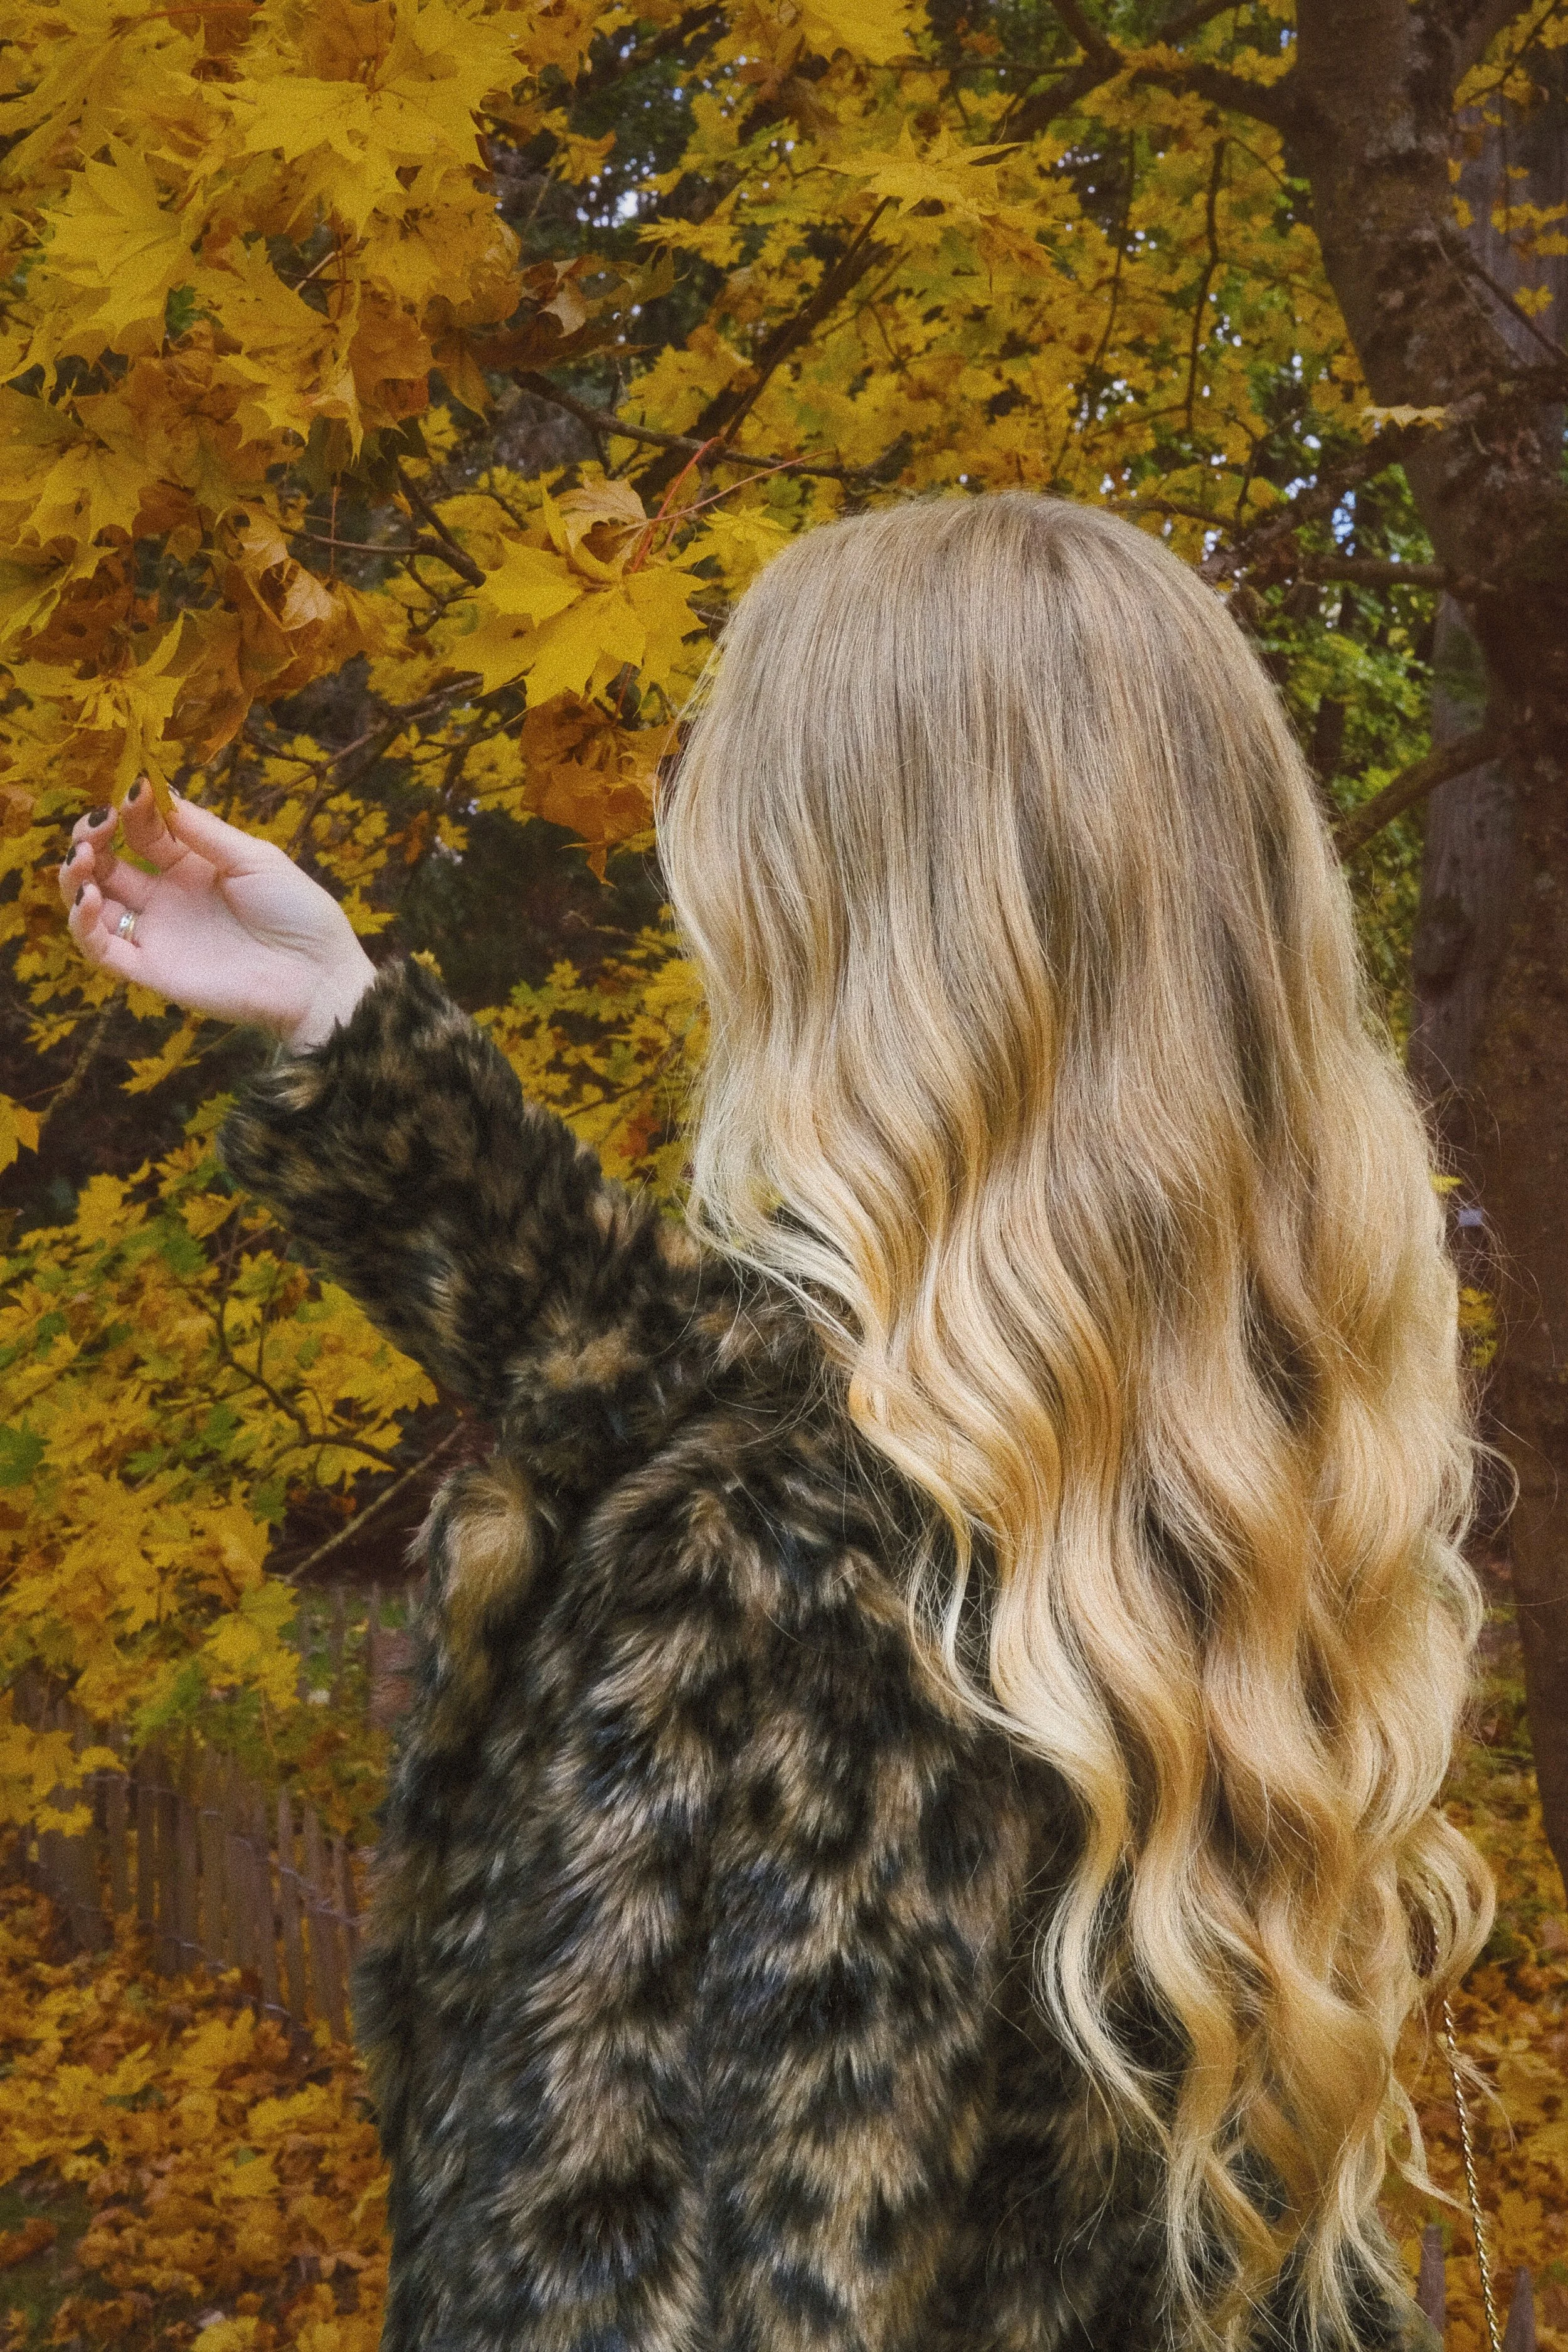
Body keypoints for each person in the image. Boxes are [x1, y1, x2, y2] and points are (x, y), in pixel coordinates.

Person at [58, 490, 1490, 2352]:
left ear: (829, 928)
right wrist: (347, 1027)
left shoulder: (745, 1567)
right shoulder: (1197, 1513)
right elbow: (691, 1377)